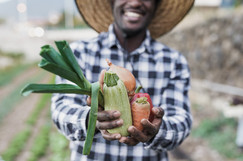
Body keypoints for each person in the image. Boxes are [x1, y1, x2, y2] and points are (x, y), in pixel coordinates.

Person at [51, 0, 194, 160]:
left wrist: (157, 132)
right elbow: (61, 110)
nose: (134, 2)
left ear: (155, 5)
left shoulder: (173, 61)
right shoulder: (80, 53)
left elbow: (181, 122)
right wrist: (92, 120)